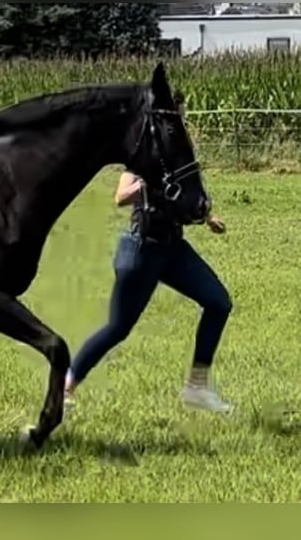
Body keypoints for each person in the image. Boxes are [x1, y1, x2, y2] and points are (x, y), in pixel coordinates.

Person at [64, 93, 233, 414]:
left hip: (173, 249)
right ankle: (66, 385)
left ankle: (196, 388)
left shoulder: (180, 158)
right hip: (142, 250)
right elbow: (120, 196)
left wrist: (207, 217)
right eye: (176, 119)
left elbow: (187, 199)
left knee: (219, 302)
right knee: (118, 328)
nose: (181, 124)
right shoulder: (143, 158)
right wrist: (146, 183)